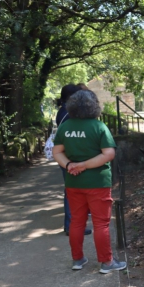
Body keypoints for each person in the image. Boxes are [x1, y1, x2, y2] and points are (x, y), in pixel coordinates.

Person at [52, 89, 126, 273]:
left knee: (76, 221)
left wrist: (70, 165)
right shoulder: (99, 127)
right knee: (101, 223)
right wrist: (85, 165)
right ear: (94, 106)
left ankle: (77, 259)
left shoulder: (65, 127)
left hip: (73, 182)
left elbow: (57, 152)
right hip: (97, 182)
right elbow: (108, 154)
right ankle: (107, 262)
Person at [56, 84, 92, 237]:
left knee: (71, 190)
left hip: (66, 157)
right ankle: (72, 226)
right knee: (72, 192)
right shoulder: (69, 114)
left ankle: (72, 225)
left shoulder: (62, 112)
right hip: (71, 157)